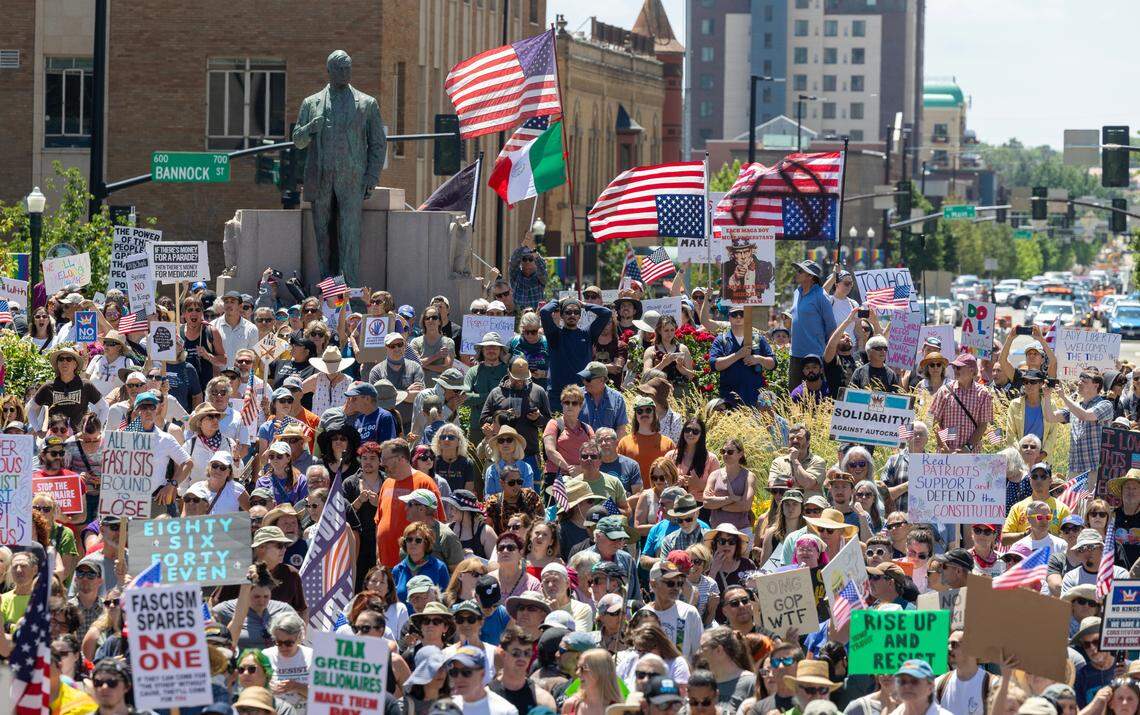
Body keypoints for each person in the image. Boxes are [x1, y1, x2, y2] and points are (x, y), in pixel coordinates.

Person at [375, 438, 446, 569]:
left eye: (385, 461)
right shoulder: (386, 483)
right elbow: (379, 521)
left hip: (414, 567)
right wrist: (378, 554)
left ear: (401, 458)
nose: (382, 464)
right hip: (386, 567)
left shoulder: (425, 483)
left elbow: (438, 525)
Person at [481, 357, 551, 477]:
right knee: (500, 491)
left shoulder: (538, 391)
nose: (520, 381)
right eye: (516, 378)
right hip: (502, 453)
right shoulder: (496, 392)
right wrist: (501, 416)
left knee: (531, 493)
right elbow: (483, 419)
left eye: (523, 378)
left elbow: (548, 422)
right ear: (508, 373)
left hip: (529, 452)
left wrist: (538, 418)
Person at [1042, 372, 1116, 478]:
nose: (1079, 383)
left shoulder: (1105, 404)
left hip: (1094, 469)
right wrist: (1047, 396)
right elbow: (1051, 417)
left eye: (1084, 381)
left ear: (1096, 385)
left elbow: (1085, 415)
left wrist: (1064, 397)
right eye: (1079, 380)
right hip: (1075, 468)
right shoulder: (1075, 407)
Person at [540, 296, 613, 400]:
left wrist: (584, 305)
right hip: (558, 395)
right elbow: (544, 312)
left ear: (580, 316)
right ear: (561, 315)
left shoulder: (588, 334)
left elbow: (606, 313)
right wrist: (559, 302)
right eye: (568, 312)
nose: (572, 315)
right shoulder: (554, 334)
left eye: (576, 312)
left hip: (582, 394)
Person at [709, 305, 776, 408]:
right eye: (734, 314)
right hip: (729, 399)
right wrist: (738, 355)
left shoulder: (758, 338)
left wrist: (759, 359)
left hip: (755, 398)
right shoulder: (721, 339)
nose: (738, 317)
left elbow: (773, 364)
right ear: (729, 317)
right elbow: (715, 365)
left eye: (742, 314)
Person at [929, 353, 994, 453]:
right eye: (954, 367)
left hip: (971, 454)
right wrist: (943, 446)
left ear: (971, 370)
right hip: (946, 454)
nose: (955, 370)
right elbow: (935, 422)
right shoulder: (944, 391)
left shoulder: (984, 393)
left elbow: (983, 425)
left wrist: (968, 448)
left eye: (958, 368)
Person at [640, 561, 703, 660]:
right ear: (653, 584)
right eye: (670, 583)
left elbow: (699, 653)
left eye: (679, 583)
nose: (676, 588)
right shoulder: (641, 616)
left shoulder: (689, 613)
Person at [789, 261, 837, 391]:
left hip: (815, 355)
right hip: (795, 354)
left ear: (810, 276)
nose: (796, 273)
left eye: (800, 271)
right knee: (794, 397)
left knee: (816, 398)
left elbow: (831, 327)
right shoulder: (796, 292)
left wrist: (828, 355)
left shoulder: (821, 295)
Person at [463, 332, 510, 444]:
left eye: (495, 347)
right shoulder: (473, 372)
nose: (491, 350)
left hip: (504, 428)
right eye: (488, 347)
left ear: (500, 350)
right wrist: (491, 395)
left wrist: (479, 398)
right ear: (482, 350)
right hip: (477, 428)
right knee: (476, 460)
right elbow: (464, 398)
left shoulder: (508, 371)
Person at [699, 627, 756, 710]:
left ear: (719, 650)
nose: (698, 652)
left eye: (702, 647)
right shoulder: (702, 684)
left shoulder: (750, 683)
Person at [578, 362, 630, 437]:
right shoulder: (577, 395)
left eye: (588, 379)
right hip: (581, 446)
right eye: (583, 378)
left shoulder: (617, 399)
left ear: (602, 379)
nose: (584, 381)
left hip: (606, 447)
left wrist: (613, 446)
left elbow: (620, 429)